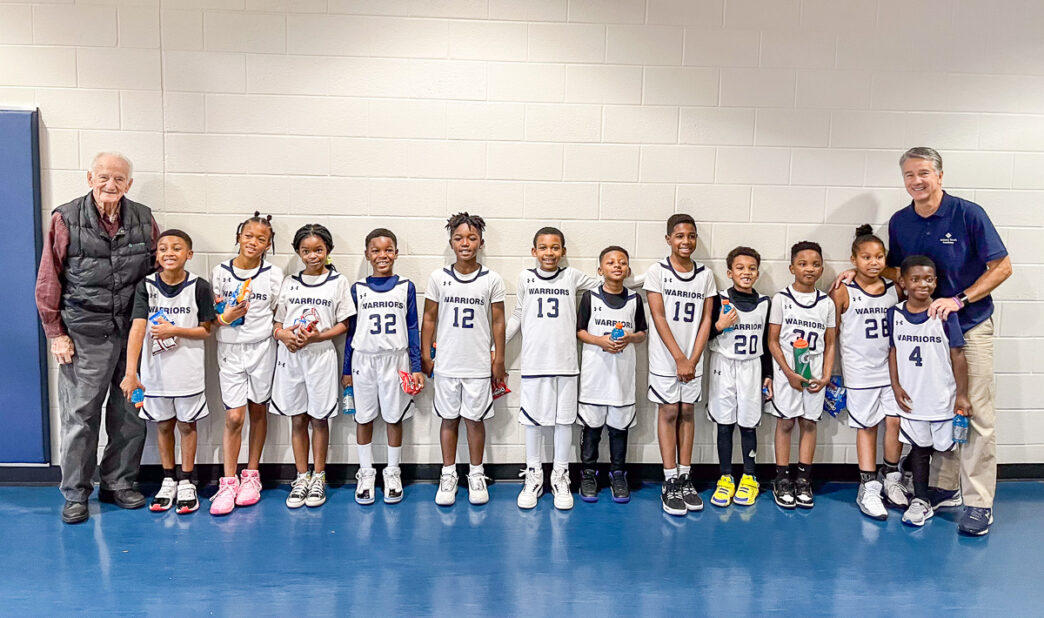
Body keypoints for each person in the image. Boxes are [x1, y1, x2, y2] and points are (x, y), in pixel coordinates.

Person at [834, 147, 1011, 535]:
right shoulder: (901, 221)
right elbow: (895, 269)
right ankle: (943, 489)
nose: (917, 181)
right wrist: (858, 275)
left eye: (924, 173)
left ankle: (979, 502)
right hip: (921, 332)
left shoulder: (968, 214)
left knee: (973, 412)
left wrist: (960, 299)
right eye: (910, 175)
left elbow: (1002, 266)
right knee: (935, 408)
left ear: (940, 176)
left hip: (968, 324)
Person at [35, 152, 159, 524]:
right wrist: (56, 333)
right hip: (83, 334)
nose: (111, 185)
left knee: (130, 414)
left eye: (119, 179)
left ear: (129, 184)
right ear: (89, 177)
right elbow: (48, 279)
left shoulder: (144, 218)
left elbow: (157, 273)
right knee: (80, 417)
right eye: (103, 177)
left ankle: (118, 483)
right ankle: (75, 493)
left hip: (133, 336)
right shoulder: (65, 217)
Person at [120, 229, 215, 514]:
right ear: (157, 255)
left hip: (187, 372)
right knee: (163, 425)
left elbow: (205, 330)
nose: (169, 253)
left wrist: (175, 330)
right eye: (163, 249)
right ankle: (168, 478)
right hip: (155, 372)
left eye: (176, 248)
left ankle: (187, 480)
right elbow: (138, 328)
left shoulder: (199, 286)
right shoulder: (146, 286)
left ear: (190, 254)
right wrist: (131, 372)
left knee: (187, 425)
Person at [507, 227, 600, 511]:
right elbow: (519, 314)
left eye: (555, 247)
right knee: (533, 421)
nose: (550, 253)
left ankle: (560, 476)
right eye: (544, 248)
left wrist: (650, 277)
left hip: (567, 364)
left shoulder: (571, 277)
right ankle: (534, 475)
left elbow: (608, 279)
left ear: (563, 251)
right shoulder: (525, 277)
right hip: (535, 362)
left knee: (563, 421)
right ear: (534, 251)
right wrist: (495, 347)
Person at [421, 213, 507, 507]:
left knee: (475, 420)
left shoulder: (492, 279)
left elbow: (498, 322)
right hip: (446, 362)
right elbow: (429, 318)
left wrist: (499, 358)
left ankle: (476, 473)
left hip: (478, 364)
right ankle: (448, 473)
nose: (465, 243)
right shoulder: (438, 277)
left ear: (481, 242)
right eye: (459, 238)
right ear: (451, 242)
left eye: (471, 238)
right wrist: (425, 354)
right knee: (449, 419)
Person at [272, 224, 355, 509]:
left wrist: (318, 336)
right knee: (297, 418)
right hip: (292, 356)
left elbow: (344, 324)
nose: (312, 256)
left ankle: (319, 476)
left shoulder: (338, 282)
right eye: (306, 251)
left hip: (321, 356)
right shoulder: (290, 282)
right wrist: (285, 336)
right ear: (298, 252)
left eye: (318, 250)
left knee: (320, 418)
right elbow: (278, 324)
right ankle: (301, 476)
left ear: (328, 251)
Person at [342, 228, 425, 505]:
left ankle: (392, 471)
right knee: (363, 417)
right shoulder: (358, 289)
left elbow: (413, 327)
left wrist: (416, 365)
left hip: (396, 359)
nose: (382, 255)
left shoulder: (406, 287)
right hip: (363, 360)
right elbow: (351, 333)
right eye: (375, 250)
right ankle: (366, 472)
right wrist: (345, 370)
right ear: (367, 254)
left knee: (393, 417)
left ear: (396, 253)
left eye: (388, 249)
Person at [830, 225, 906, 521]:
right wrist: (829, 371)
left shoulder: (895, 289)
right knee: (867, 427)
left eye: (879, 257)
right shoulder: (843, 290)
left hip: (892, 372)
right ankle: (867, 485)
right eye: (866, 257)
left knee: (896, 422)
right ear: (853, 260)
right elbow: (830, 333)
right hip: (860, 372)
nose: (873, 262)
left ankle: (891, 478)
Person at [208, 213, 283, 516]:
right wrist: (225, 317)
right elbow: (213, 315)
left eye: (261, 239)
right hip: (230, 349)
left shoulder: (274, 275)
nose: (254, 242)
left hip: (263, 348)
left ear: (268, 244)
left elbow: (279, 314)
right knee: (234, 417)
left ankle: (252, 476)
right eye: (249, 235)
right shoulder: (220, 272)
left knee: (258, 411)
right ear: (239, 236)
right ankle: (228, 481)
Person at [887, 255, 970, 528]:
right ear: (903, 282)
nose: (923, 284)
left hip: (942, 397)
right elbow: (894, 351)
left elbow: (958, 355)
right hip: (912, 398)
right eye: (916, 279)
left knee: (944, 447)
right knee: (919, 448)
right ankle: (921, 500)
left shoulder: (945, 314)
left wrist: (962, 394)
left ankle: (948, 491)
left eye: (929, 279)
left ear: (936, 282)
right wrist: (896, 385)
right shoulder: (895, 314)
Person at [644, 214, 716, 516]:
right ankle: (669, 479)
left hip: (693, 356)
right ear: (668, 239)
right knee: (670, 410)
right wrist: (679, 358)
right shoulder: (657, 272)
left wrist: (693, 358)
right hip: (666, 356)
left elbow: (707, 319)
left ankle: (686, 477)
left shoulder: (706, 275)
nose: (686, 241)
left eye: (691, 235)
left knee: (688, 410)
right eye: (679, 236)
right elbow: (658, 317)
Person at [766, 241, 836, 510]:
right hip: (788, 375)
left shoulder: (826, 303)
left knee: (809, 423)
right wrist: (788, 372)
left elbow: (831, 343)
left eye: (815, 264)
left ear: (821, 268)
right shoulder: (781, 299)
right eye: (803, 263)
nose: (810, 268)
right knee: (785, 423)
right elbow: (772, 341)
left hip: (815, 373)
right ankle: (782, 478)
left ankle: (803, 479)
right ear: (792, 267)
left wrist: (827, 374)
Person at [576, 246, 647, 504]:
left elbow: (642, 333)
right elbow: (580, 331)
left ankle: (618, 473)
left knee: (619, 428)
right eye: (610, 262)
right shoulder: (590, 297)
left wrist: (630, 337)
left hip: (622, 377)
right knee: (592, 428)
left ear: (627, 270)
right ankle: (588, 473)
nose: (617, 266)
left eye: (622, 262)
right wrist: (600, 341)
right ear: (600, 270)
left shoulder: (634, 300)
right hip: (595, 376)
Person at [706, 247, 771, 509]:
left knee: (748, 423)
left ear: (757, 273)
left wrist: (768, 374)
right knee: (724, 423)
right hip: (724, 365)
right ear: (730, 272)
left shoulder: (766, 302)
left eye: (751, 268)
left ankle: (749, 476)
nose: (746, 272)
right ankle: (725, 477)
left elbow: (768, 341)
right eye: (740, 268)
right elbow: (703, 335)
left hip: (752, 366)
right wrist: (718, 326)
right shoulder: (719, 300)